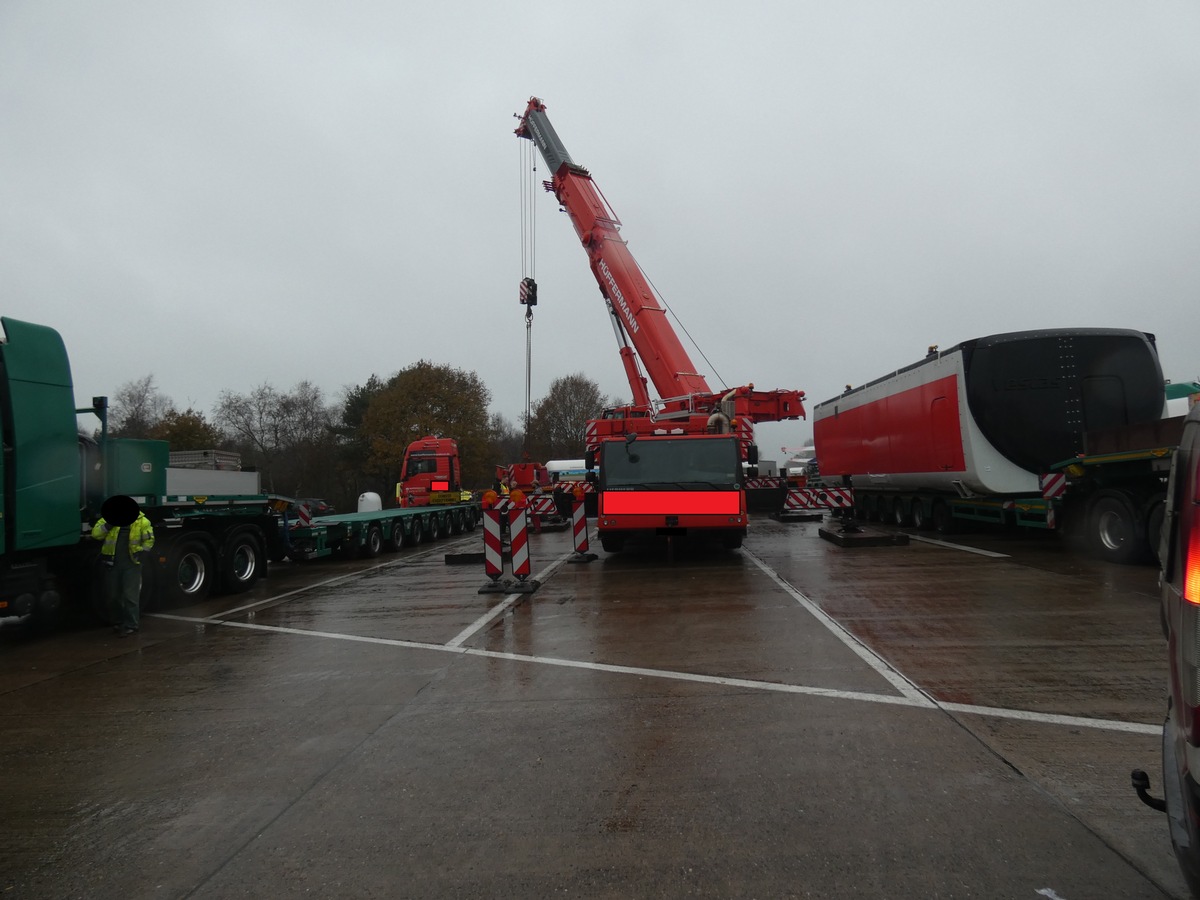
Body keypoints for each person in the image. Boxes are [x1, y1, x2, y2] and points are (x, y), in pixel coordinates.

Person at [91, 496, 155, 637]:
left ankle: (132, 625)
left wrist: (143, 552)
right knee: (112, 595)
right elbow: (96, 534)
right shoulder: (108, 519)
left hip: (132, 564)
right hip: (112, 564)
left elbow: (149, 540)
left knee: (130, 596)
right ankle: (117, 622)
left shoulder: (142, 521)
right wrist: (108, 525)